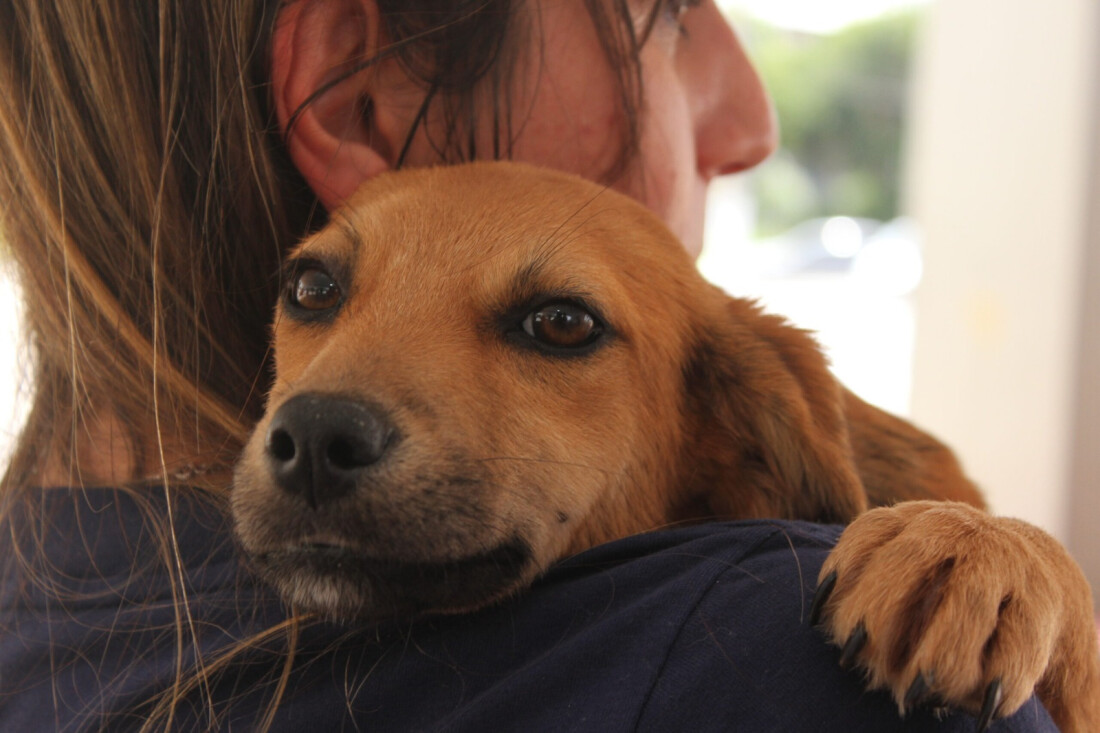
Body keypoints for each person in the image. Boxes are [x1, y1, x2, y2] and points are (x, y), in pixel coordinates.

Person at [0, 1, 1056, 730]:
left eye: (554, 324)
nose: (748, 119)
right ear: (360, 95)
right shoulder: (769, 668)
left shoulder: (36, 600)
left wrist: (986, 551)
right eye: (665, 16)